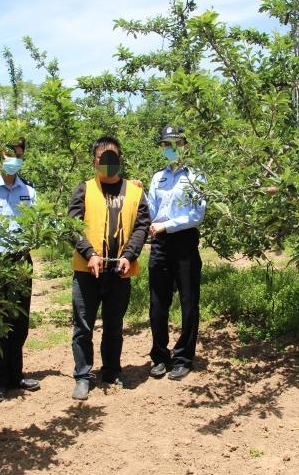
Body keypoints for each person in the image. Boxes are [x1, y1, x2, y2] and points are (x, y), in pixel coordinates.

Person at [67, 136, 150, 400]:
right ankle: (83, 375)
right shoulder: (84, 189)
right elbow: (72, 226)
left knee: (114, 325)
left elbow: (142, 226)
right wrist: (89, 253)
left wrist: (129, 255)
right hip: (87, 271)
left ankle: (112, 371)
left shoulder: (135, 191)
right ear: (94, 162)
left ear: (119, 160)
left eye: (112, 158)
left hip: (119, 272)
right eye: (102, 159)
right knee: (83, 326)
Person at [0, 137, 40, 402]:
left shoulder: (29, 191)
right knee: (0, 323)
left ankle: (16, 375)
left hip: (21, 261)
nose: (13, 160)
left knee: (20, 321)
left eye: (18, 155)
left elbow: (37, 223)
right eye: (9, 155)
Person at [147, 125, 206, 381]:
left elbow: (197, 214)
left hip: (184, 242)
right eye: (166, 144)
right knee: (157, 303)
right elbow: (151, 210)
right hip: (160, 244)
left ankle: (183, 357)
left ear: (185, 145)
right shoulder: (157, 178)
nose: (171, 148)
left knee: (189, 302)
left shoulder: (196, 176)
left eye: (177, 143)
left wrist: (167, 225)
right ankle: (160, 356)